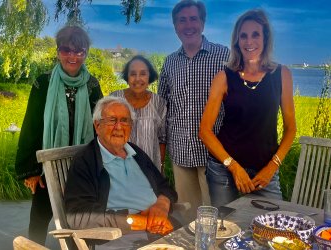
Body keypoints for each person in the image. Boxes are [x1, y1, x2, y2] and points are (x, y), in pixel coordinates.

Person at [15, 25, 103, 245]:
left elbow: (99, 128)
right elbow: (31, 126)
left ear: (85, 53)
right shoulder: (43, 83)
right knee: (39, 220)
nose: (72, 56)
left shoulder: (92, 85)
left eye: (79, 51)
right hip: (48, 170)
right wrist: (31, 170)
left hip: (81, 168)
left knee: (82, 222)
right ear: (58, 52)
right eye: (66, 50)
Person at [199, 9, 296, 207]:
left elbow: (290, 129)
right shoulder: (224, 77)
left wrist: (272, 167)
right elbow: (205, 131)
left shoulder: (282, 74)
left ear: (265, 38)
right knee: (226, 230)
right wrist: (233, 167)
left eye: (255, 35)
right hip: (224, 171)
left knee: (271, 228)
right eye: (243, 36)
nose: (249, 41)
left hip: (265, 171)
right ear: (236, 41)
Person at [64, 96, 178, 237]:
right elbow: (78, 216)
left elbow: (164, 186)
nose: (119, 127)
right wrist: (140, 221)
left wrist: (162, 204)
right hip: (120, 235)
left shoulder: (135, 153)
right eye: (112, 120)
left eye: (124, 120)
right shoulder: (85, 161)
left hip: (160, 225)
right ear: (97, 125)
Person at [158, 0, 229, 220]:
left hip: (215, 153)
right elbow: (162, 109)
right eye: (182, 20)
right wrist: (161, 153)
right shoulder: (169, 63)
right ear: (175, 26)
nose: (188, 25)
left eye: (193, 19)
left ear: (203, 23)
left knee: (219, 217)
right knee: (187, 216)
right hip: (181, 152)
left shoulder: (224, 56)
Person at [110, 55, 167, 173]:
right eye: (133, 74)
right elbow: (105, 135)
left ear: (149, 76)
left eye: (142, 73)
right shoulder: (114, 99)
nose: (137, 79)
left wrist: (160, 166)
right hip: (119, 169)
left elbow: (162, 139)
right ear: (127, 77)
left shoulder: (158, 103)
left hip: (150, 170)